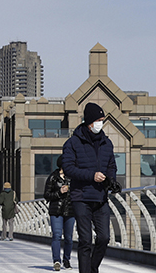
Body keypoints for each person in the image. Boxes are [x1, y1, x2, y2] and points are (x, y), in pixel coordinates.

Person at [62, 103, 117, 273]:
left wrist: (111, 181)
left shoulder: (107, 143)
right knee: (85, 240)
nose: (101, 123)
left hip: (101, 198)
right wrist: (91, 175)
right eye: (99, 120)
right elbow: (69, 168)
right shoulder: (72, 143)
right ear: (90, 121)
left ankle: (92, 268)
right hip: (81, 198)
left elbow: (111, 166)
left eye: (102, 120)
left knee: (104, 238)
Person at [45, 155, 75, 271]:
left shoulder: (73, 177)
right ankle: (56, 260)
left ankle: (66, 260)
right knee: (56, 236)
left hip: (70, 210)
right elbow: (46, 195)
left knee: (68, 238)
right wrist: (59, 192)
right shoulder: (53, 177)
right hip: (56, 211)